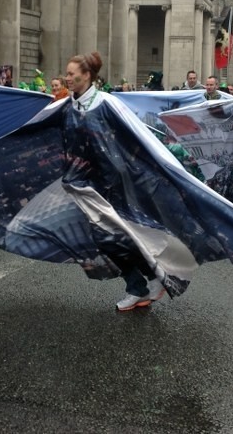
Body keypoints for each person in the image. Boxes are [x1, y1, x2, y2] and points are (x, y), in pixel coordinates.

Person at [64, 52, 164, 311]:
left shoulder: (106, 102)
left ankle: (140, 286)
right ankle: (149, 279)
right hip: (87, 184)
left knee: (111, 238)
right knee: (114, 237)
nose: (67, 78)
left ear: (87, 75)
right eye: (66, 73)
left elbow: (136, 133)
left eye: (71, 74)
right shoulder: (70, 105)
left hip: (115, 183)